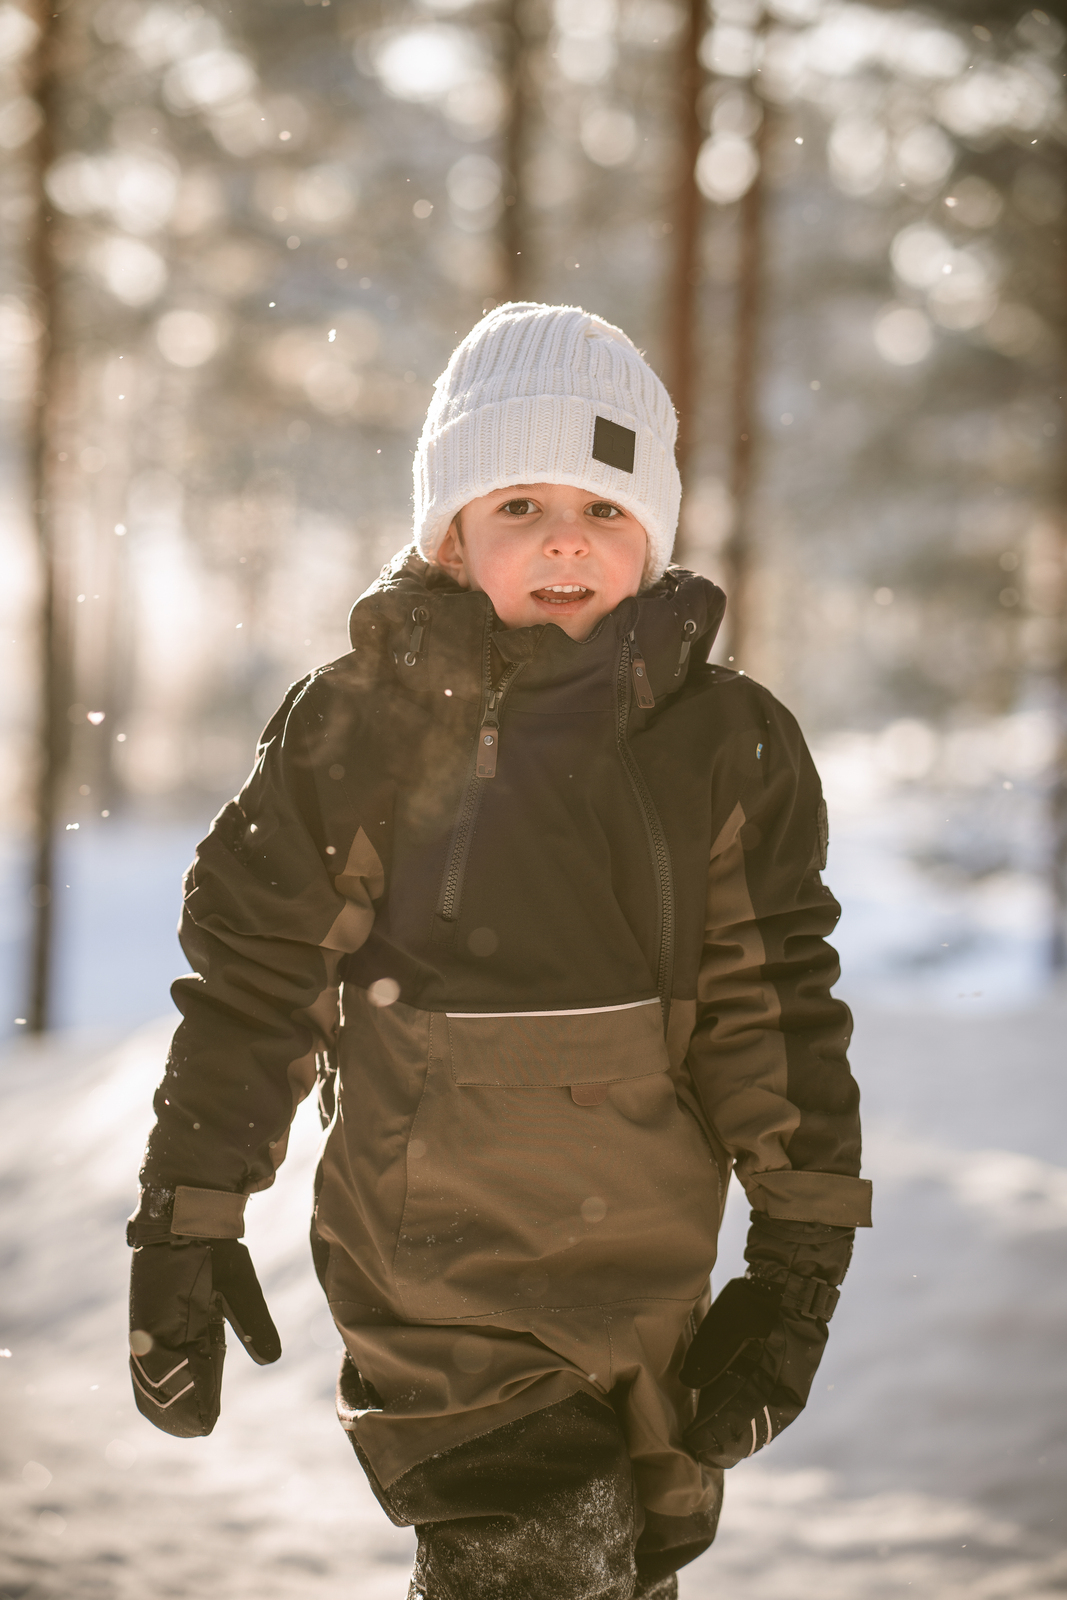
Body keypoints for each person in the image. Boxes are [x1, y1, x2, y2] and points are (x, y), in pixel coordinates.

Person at [127, 302, 872, 1600]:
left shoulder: (728, 745)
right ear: (451, 536)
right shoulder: (360, 724)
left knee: (629, 1566)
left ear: (655, 532)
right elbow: (257, 981)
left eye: (603, 508)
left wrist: (798, 1275)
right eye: (517, 505)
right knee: (537, 1561)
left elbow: (778, 1007)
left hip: (644, 1273)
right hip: (438, 1264)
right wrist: (185, 1223)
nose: (565, 542)